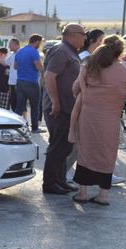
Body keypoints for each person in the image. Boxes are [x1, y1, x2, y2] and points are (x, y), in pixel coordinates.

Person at [69, 35, 126, 205]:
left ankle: (83, 192)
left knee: (86, 152)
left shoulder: (89, 64)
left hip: (89, 116)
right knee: (107, 153)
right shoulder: (125, 68)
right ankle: (103, 195)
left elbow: (75, 88)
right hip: (111, 117)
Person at [41, 24, 86, 195]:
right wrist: (55, 102)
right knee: (58, 147)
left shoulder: (71, 51)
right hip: (59, 109)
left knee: (65, 147)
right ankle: (50, 184)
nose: (85, 37)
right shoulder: (61, 50)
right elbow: (49, 77)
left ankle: (60, 180)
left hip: (68, 107)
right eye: (83, 34)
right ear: (72, 35)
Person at [13, 34, 44, 132]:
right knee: (35, 106)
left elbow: (15, 66)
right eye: (40, 42)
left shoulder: (20, 51)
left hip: (20, 82)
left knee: (20, 106)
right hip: (32, 82)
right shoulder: (34, 52)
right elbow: (38, 67)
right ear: (37, 41)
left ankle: (15, 127)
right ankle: (34, 128)